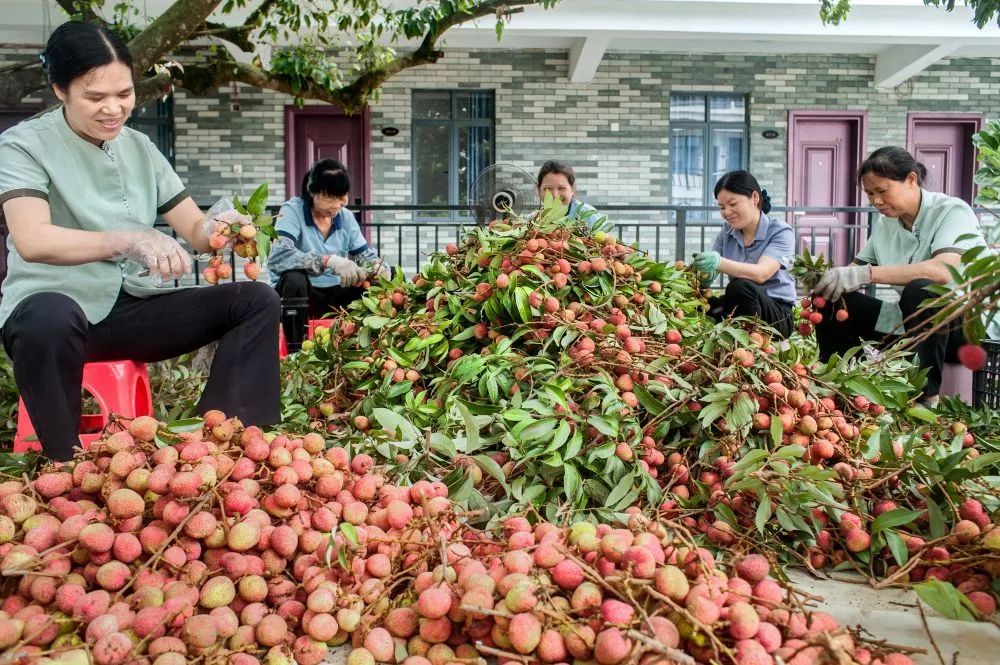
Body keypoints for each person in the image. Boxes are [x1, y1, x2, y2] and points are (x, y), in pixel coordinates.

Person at [0, 22, 281, 461]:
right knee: (48, 318)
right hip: (54, 311)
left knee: (257, 300)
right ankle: (66, 466)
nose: (113, 108)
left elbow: (195, 230)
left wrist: (223, 225)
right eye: (95, 97)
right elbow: (33, 239)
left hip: (127, 308)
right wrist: (128, 239)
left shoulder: (140, 147)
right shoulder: (22, 145)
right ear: (59, 89)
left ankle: (224, 448)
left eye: (124, 94)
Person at [812, 146, 996, 405]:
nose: (876, 201)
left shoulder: (952, 211)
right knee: (833, 298)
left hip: (963, 327)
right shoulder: (886, 224)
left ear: (911, 179)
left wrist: (867, 274)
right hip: (912, 324)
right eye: (870, 194)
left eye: (882, 191)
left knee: (922, 289)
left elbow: (942, 270)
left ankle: (925, 397)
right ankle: (848, 388)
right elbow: (854, 269)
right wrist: (827, 280)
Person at [269, 159, 389, 347]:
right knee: (294, 279)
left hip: (335, 296)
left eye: (342, 197)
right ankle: (296, 352)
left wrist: (377, 267)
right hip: (301, 297)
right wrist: (328, 260)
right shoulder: (293, 211)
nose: (337, 205)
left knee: (374, 282)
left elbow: (365, 256)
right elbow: (279, 257)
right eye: (330, 197)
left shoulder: (345, 217)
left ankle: (364, 347)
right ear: (313, 192)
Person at [691, 171, 796, 337]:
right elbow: (711, 267)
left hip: (776, 315)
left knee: (739, 287)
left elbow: (762, 273)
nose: (727, 212)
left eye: (733, 204)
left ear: (754, 198)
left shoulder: (780, 231)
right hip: (742, 307)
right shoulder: (727, 233)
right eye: (722, 207)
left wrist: (718, 262)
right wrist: (702, 277)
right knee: (700, 303)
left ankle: (755, 340)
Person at [536, 161, 604, 228]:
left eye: (561, 188)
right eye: (548, 188)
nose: (555, 195)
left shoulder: (590, 216)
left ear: (573, 189)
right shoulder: (533, 221)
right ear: (538, 190)